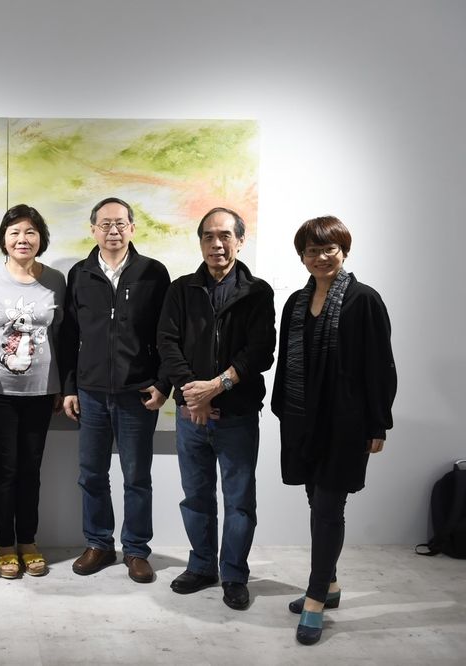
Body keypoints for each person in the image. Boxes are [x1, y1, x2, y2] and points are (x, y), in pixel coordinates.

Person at [271, 215, 396, 645]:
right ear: (302, 256)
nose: (321, 257)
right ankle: (331, 584)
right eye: (312, 250)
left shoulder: (364, 300)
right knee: (316, 502)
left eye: (330, 249)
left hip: (346, 423)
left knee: (328, 507)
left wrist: (378, 422)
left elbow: (381, 366)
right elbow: (286, 362)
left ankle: (314, 600)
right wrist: (283, 410)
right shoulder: (295, 303)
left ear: (344, 251)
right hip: (303, 420)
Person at [157, 207, 276, 610]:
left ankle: (235, 574)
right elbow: (167, 344)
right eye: (208, 236)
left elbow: (260, 352)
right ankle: (202, 566)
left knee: (239, 500)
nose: (217, 244)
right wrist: (194, 394)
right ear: (201, 242)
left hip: (237, 415)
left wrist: (216, 387)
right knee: (196, 497)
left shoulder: (257, 292)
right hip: (191, 415)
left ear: (240, 240)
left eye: (225, 235)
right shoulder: (181, 290)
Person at [59, 196, 171, 583]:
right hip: (90, 393)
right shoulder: (80, 273)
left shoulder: (153, 273)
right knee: (92, 474)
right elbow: (69, 335)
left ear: (132, 228)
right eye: (105, 224)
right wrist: (69, 387)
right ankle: (99, 544)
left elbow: (166, 334)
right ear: (93, 230)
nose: (113, 231)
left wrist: (163, 384)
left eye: (120, 223)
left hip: (137, 393)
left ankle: (136, 550)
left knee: (136, 477)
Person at [0, 204, 66, 578]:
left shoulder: (56, 281)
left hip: (41, 391)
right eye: (14, 232)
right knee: (6, 469)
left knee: (31, 469)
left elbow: (62, 336)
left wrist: (63, 387)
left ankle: (27, 541)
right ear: (3, 239)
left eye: (30, 231)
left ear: (40, 238)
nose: (22, 239)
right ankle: (3, 545)